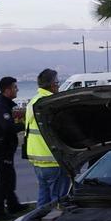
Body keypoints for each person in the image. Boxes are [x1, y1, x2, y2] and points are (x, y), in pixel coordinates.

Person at [24, 69, 69, 209]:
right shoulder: (51, 103)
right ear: (53, 85)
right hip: (53, 160)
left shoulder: (33, 101)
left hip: (37, 161)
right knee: (58, 201)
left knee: (43, 197)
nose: (58, 85)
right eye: (57, 82)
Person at [0, 77, 27, 220]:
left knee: (9, 176)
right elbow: (7, 127)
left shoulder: (0, 105)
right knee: (3, 178)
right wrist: (25, 125)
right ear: (7, 90)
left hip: (2, 146)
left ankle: (12, 203)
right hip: (2, 146)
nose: (17, 90)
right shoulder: (1, 107)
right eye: (15, 87)